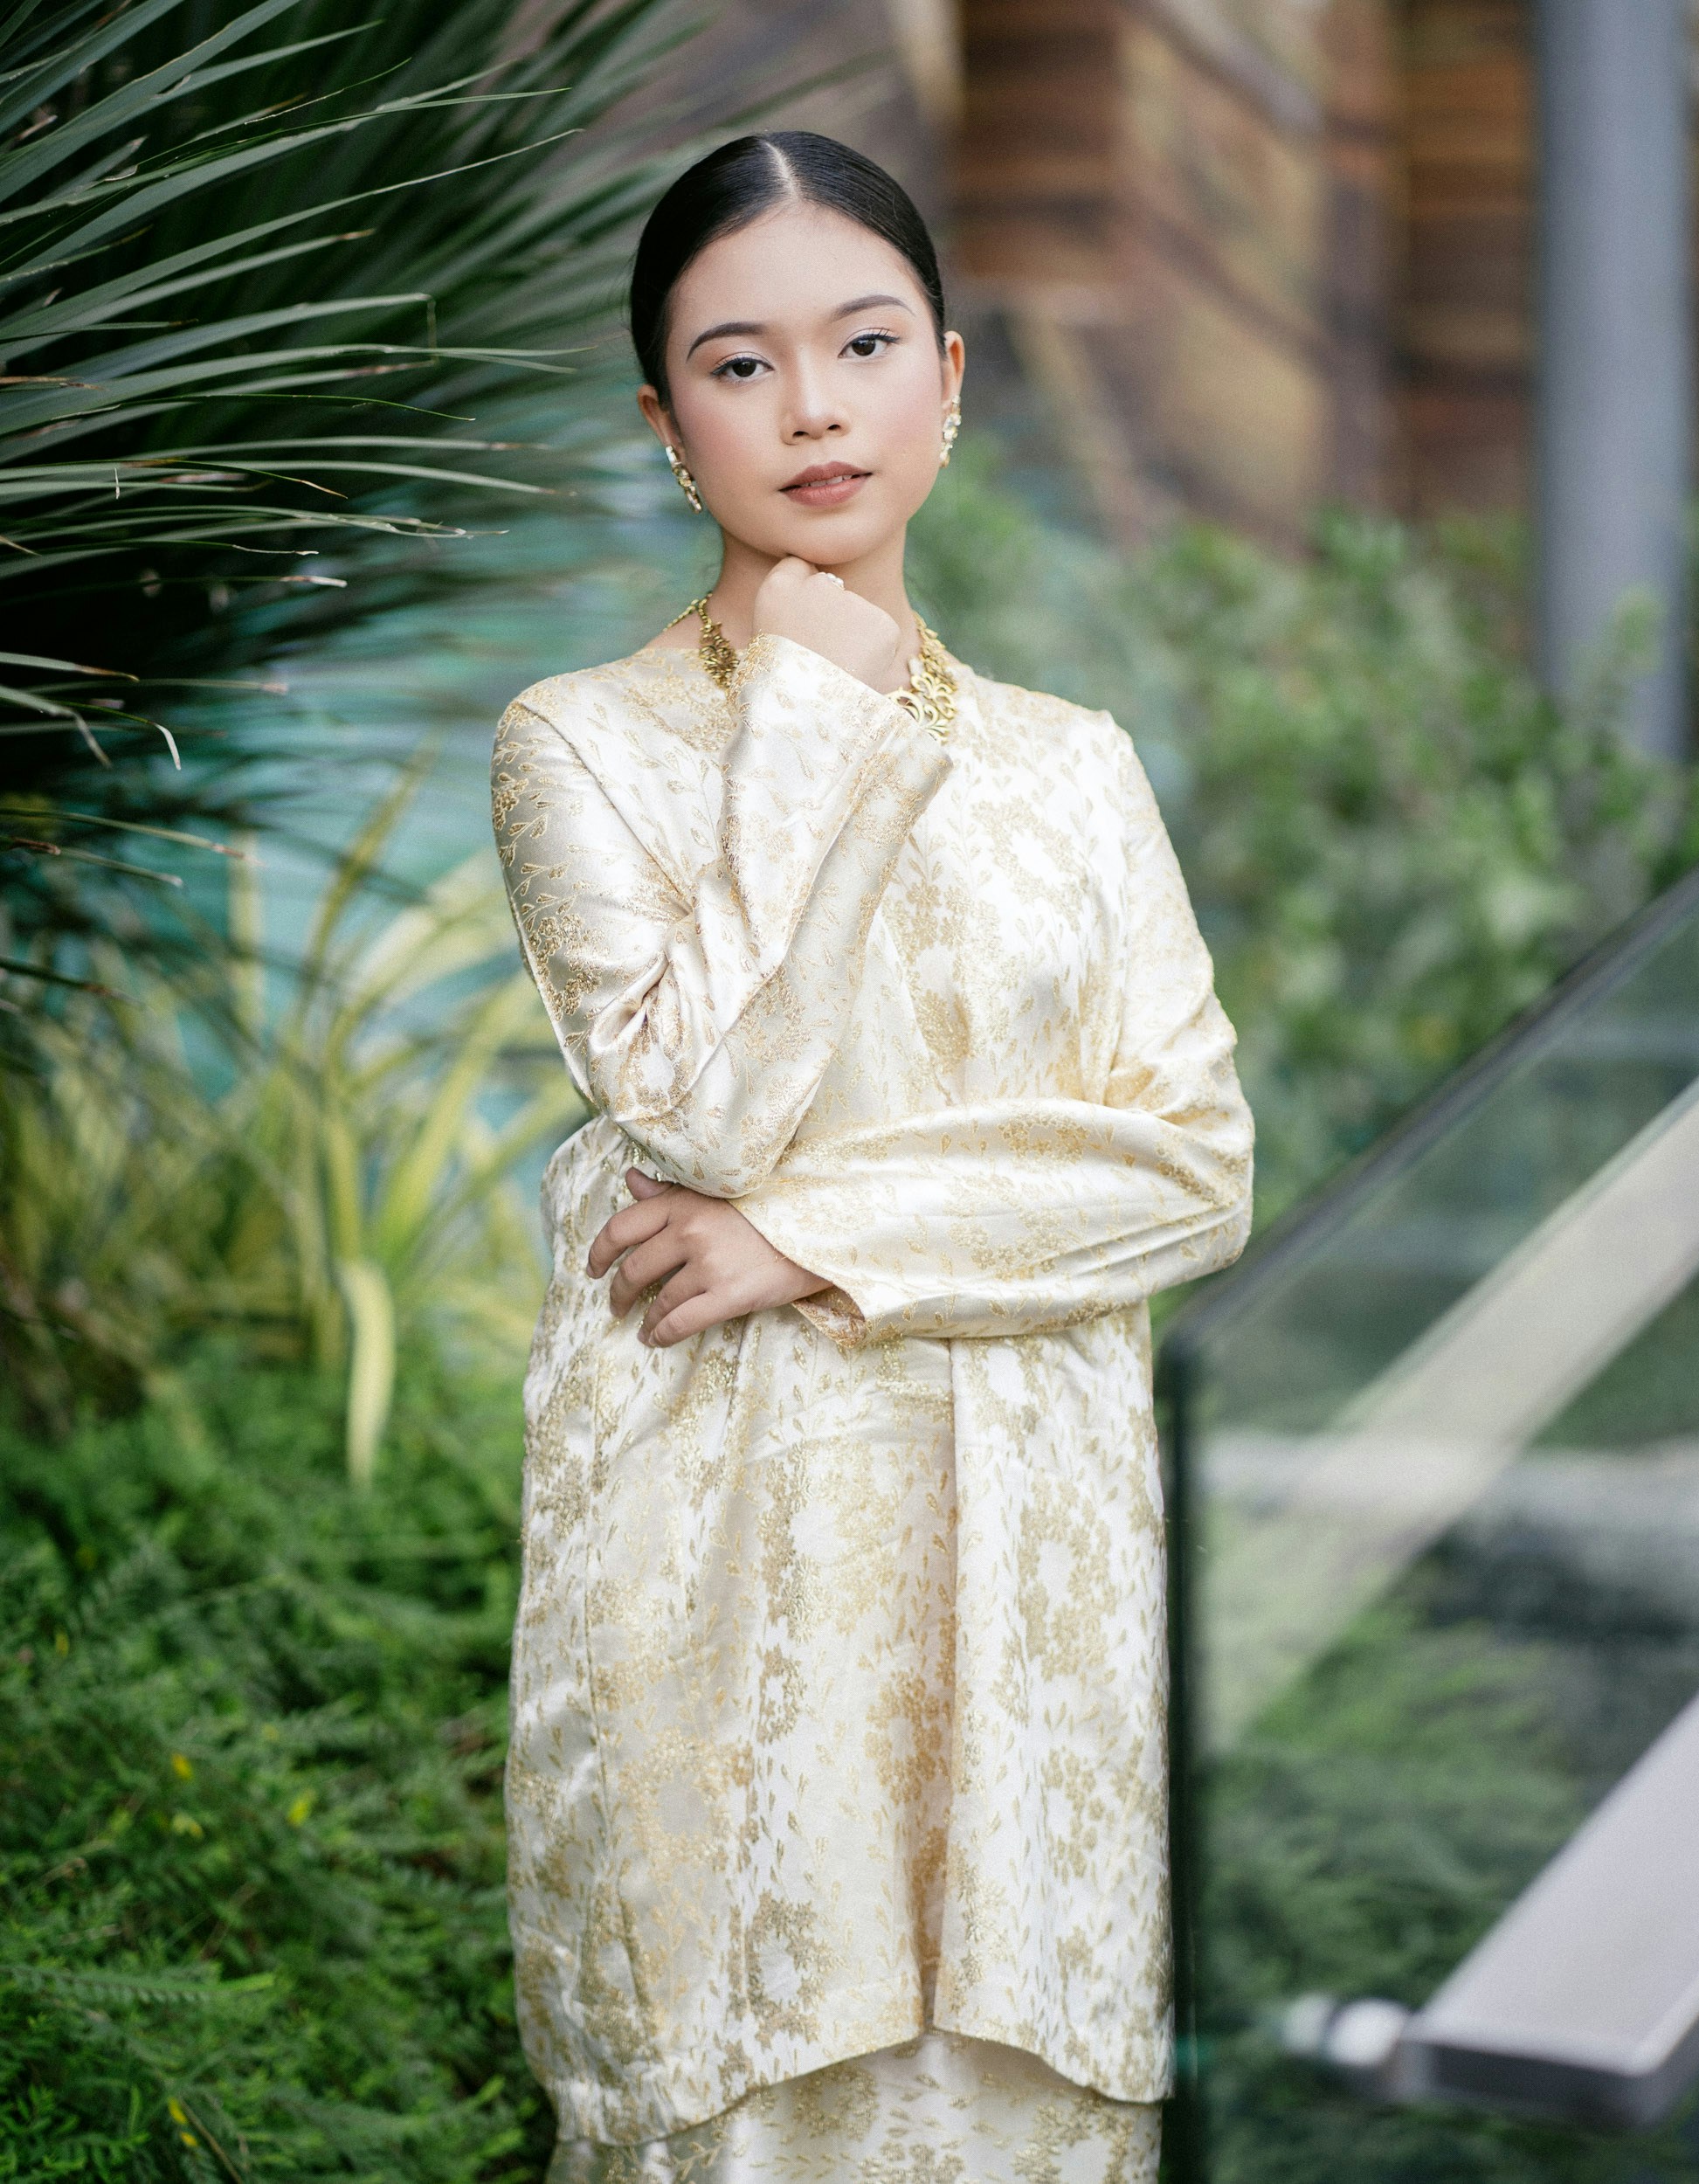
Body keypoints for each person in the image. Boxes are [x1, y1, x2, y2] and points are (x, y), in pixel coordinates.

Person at [490, 128, 1254, 2183]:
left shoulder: (1071, 769)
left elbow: (1189, 1166)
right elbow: (703, 1108)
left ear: (952, 376)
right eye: (738, 366)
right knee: (736, 2097)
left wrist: (807, 1239)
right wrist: (807, 721)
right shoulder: (581, 741)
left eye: (862, 342)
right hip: (730, 1594)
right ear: (664, 423)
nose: (812, 405)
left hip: (1034, 1607)